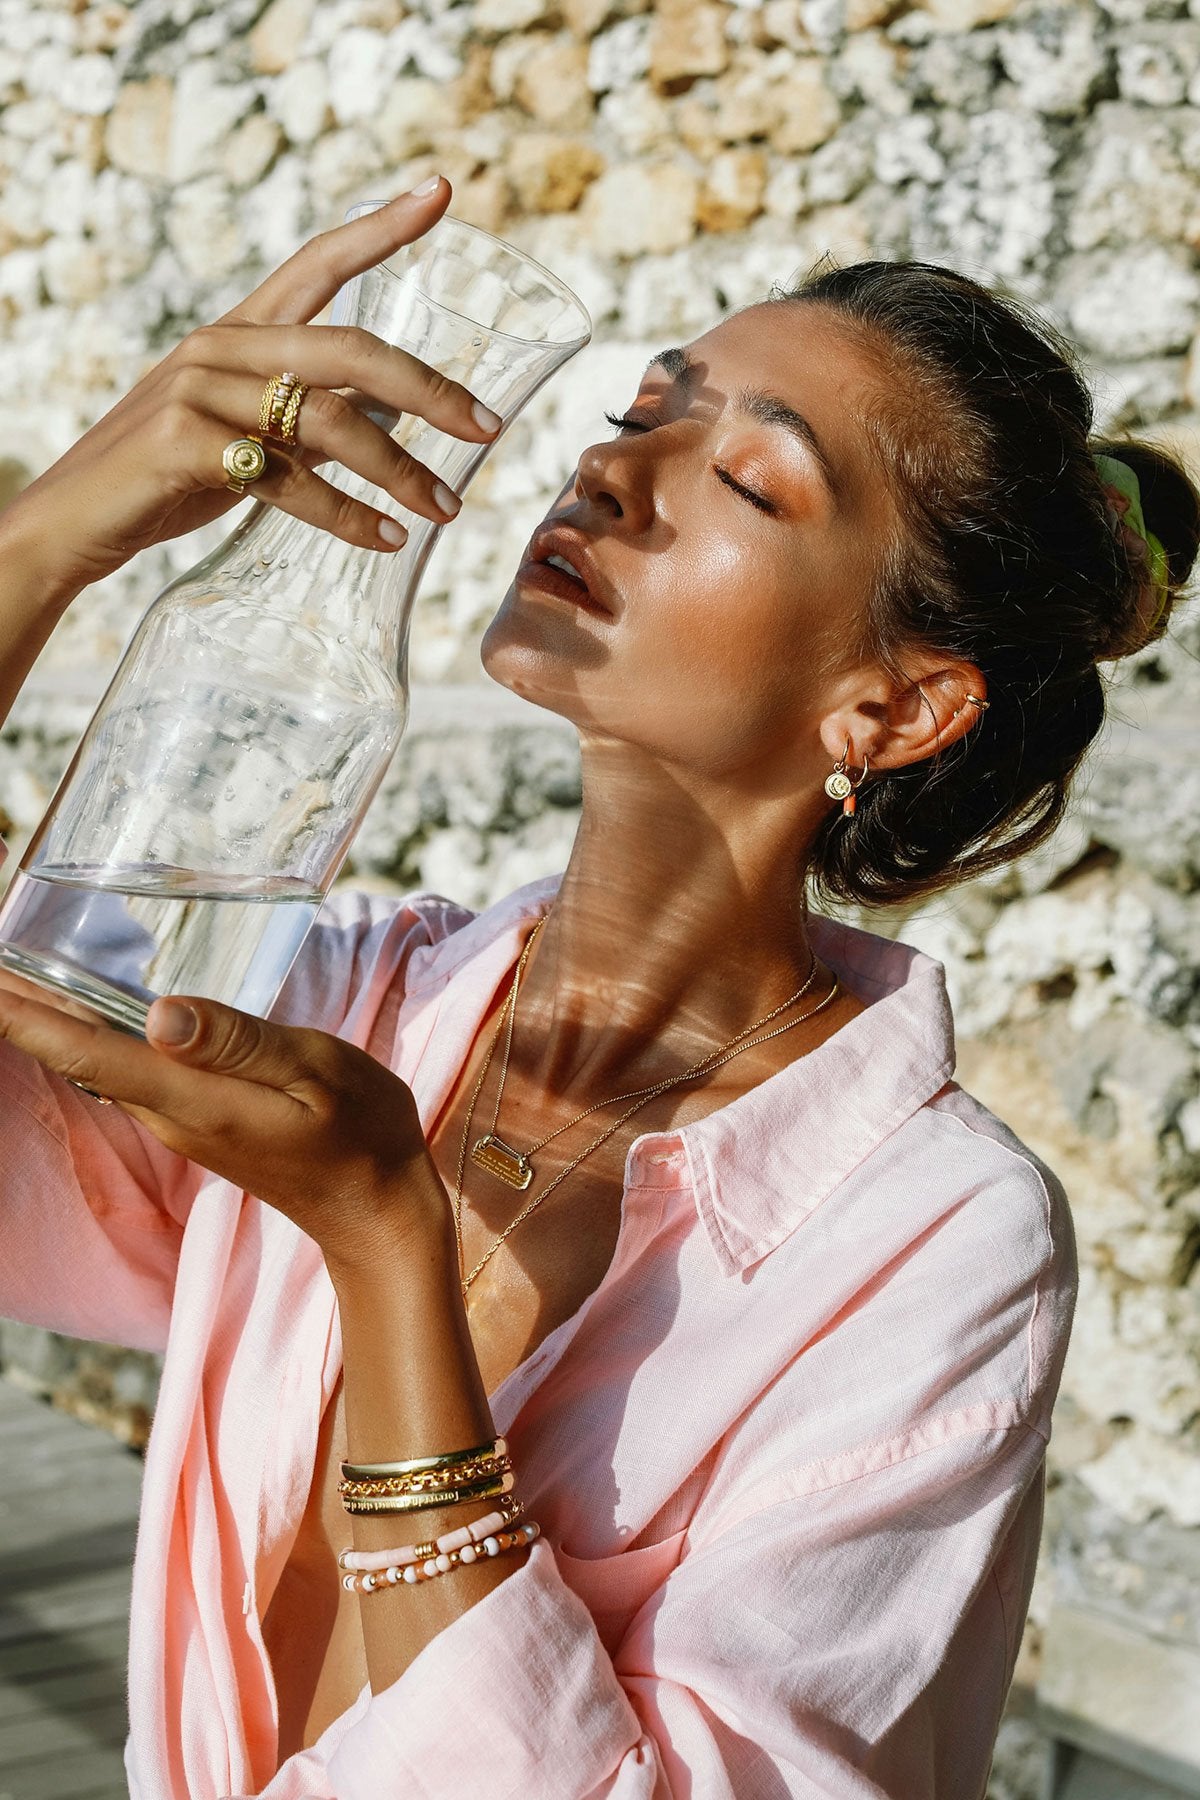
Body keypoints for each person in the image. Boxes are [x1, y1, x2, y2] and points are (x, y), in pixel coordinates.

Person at [0, 175, 1192, 1800]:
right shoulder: (357, 1012)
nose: (614, 469)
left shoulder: (928, 1242)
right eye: (643, 409)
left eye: (750, 481)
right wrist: (54, 534)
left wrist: (384, 1247)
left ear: (897, 707)